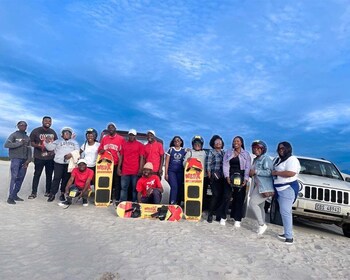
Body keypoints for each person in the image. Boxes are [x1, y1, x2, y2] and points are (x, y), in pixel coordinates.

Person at [272, 141, 301, 245]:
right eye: (279, 148)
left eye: (283, 148)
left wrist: (276, 173)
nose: (281, 150)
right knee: (283, 212)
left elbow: (291, 173)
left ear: (288, 149)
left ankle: (289, 237)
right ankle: (286, 232)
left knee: (286, 212)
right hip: (279, 190)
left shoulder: (292, 159)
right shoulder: (279, 160)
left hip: (287, 188)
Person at [221, 136, 251, 227]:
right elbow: (225, 164)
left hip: (241, 175)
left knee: (239, 198)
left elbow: (247, 167)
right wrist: (227, 176)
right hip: (230, 175)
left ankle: (237, 218)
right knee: (226, 196)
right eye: (234, 141)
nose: (235, 142)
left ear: (241, 143)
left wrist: (246, 179)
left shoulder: (246, 154)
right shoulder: (228, 152)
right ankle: (223, 217)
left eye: (238, 141)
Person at [45, 127, 80, 202]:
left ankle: (62, 193)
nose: (67, 134)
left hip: (69, 164)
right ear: (62, 135)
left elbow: (77, 151)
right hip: (58, 163)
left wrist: (71, 154)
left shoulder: (74, 142)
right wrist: (47, 142)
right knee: (56, 178)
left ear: (71, 135)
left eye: (68, 133)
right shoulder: (57, 141)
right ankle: (52, 194)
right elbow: (50, 148)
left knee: (65, 179)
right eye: (65, 133)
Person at [28, 116, 58, 199]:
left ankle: (48, 191)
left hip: (50, 158)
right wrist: (38, 146)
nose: (48, 122)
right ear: (42, 121)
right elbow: (31, 142)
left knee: (49, 175)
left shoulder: (52, 132)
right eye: (46, 121)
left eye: (49, 121)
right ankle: (34, 192)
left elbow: (56, 143)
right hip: (39, 157)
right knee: (37, 174)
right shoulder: (36, 131)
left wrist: (53, 151)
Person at [249, 140, 274, 234]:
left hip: (265, 187)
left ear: (263, 149)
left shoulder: (266, 159)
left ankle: (261, 225)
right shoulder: (255, 159)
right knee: (260, 206)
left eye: (258, 148)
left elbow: (269, 172)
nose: (256, 150)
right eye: (254, 148)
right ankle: (261, 226)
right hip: (258, 186)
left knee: (252, 203)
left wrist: (256, 172)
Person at [4, 121, 32, 204]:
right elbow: (6, 145)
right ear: (18, 126)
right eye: (21, 125)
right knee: (14, 177)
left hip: (24, 160)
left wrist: (28, 160)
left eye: (25, 125)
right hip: (15, 159)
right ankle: (10, 197)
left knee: (21, 178)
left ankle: (15, 194)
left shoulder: (27, 137)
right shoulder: (14, 135)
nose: (23, 126)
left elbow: (29, 150)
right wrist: (19, 143)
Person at [98, 122, 125, 202]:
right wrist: (101, 150)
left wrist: (120, 166)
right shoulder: (105, 138)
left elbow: (123, 153)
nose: (110, 129)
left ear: (115, 129)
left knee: (117, 182)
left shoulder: (121, 139)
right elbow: (99, 149)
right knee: (107, 181)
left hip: (116, 163)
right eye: (109, 128)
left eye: (112, 127)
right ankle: (108, 198)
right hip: (106, 164)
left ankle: (116, 198)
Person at [117, 129, 144, 202]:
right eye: (130, 135)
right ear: (128, 135)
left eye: (133, 135)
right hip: (125, 170)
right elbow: (121, 157)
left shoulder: (140, 145)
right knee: (124, 188)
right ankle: (122, 202)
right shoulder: (124, 144)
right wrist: (119, 167)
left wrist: (141, 169)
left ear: (135, 136)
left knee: (135, 188)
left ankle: (134, 202)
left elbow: (141, 157)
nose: (131, 136)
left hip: (135, 171)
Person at [206, 135, 225, 223]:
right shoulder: (211, 152)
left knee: (221, 196)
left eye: (220, 142)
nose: (218, 143)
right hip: (214, 176)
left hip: (222, 177)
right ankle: (210, 214)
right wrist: (209, 175)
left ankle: (218, 215)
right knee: (215, 195)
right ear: (213, 144)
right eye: (216, 142)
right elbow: (208, 164)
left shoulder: (223, 153)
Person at [164, 136, 186, 205]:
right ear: (173, 142)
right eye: (175, 141)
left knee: (179, 187)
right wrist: (166, 174)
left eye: (178, 140)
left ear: (181, 142)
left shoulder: (184, 150)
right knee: (174, 187)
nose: (177, 142)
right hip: (171, 171)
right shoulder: (170, 150)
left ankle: (178, 203)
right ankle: (172, 202)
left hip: (180, 172)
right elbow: (167, 162)